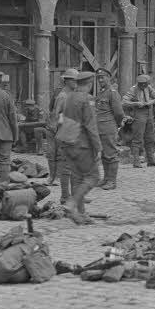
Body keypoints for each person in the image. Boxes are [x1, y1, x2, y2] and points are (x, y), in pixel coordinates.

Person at [55, 69, 101, 222]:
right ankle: (72, 202)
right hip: (82, 144)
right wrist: (98, 147)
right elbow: (90, 125)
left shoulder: (68, 96)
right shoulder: (87, 99)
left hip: (67, 142)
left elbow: (59, 118)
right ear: (90, 83)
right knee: (93, 177)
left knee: (77, 178)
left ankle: (80, 214)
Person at [45, 69, 79, 200]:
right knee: (56, 155)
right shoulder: (63, 95)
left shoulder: (72, 94)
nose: (76, 83)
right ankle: (57, 182)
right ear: (67, 81)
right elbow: (55, 113)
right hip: (59, 130)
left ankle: (73, 193)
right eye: (74, 80)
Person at [92, 68, 124, 189]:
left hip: (109, 127)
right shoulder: (101, 93)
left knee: (111, 154)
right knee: (104, 154)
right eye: (98, 78)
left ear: (109, 78)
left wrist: (115, 124)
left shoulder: (112, 92)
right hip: (100, 128)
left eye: (102, 77)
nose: (100, 80)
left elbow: (119, 113)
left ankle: (112, 181)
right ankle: (106, 178)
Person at [123, 73, 155, 168]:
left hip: (149, 112)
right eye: (141, 84)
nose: (143, 86)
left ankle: (151, 160)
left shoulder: (148, 87)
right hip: (139, 113)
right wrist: (136, 103)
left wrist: (151, 101)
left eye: (145, 84)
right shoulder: (133, 89)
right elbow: (124, 101)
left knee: (150, 137)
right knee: (138, 137)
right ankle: (136, 161)